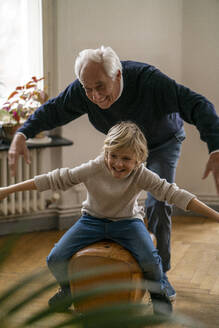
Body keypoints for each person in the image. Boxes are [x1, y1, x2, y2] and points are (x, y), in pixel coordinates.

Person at [8, 46, 219, 301]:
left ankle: (159, 278)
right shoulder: (84, 90)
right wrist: (23, 132)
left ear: (117, 75)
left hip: (163, 142)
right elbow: (54, 109)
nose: (94, 96)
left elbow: (195, 104)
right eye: (88, 89)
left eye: (100, 87)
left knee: (158, 201)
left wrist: (215, 145)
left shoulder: (148, 81)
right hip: (121, 151)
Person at [2, 122, 219, 314]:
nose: (117, 163)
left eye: (126, 158)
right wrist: (7, 190)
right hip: (92, 221)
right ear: (106, 151)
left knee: (150, 260)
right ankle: (68, 291)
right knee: (55, 259)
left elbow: (175, 194)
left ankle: (158, 294)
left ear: (139, 159)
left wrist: (215, 215)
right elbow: (53, 179)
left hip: (128, 222)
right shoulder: (94, 168)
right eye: (113, 155)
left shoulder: (141, 174)